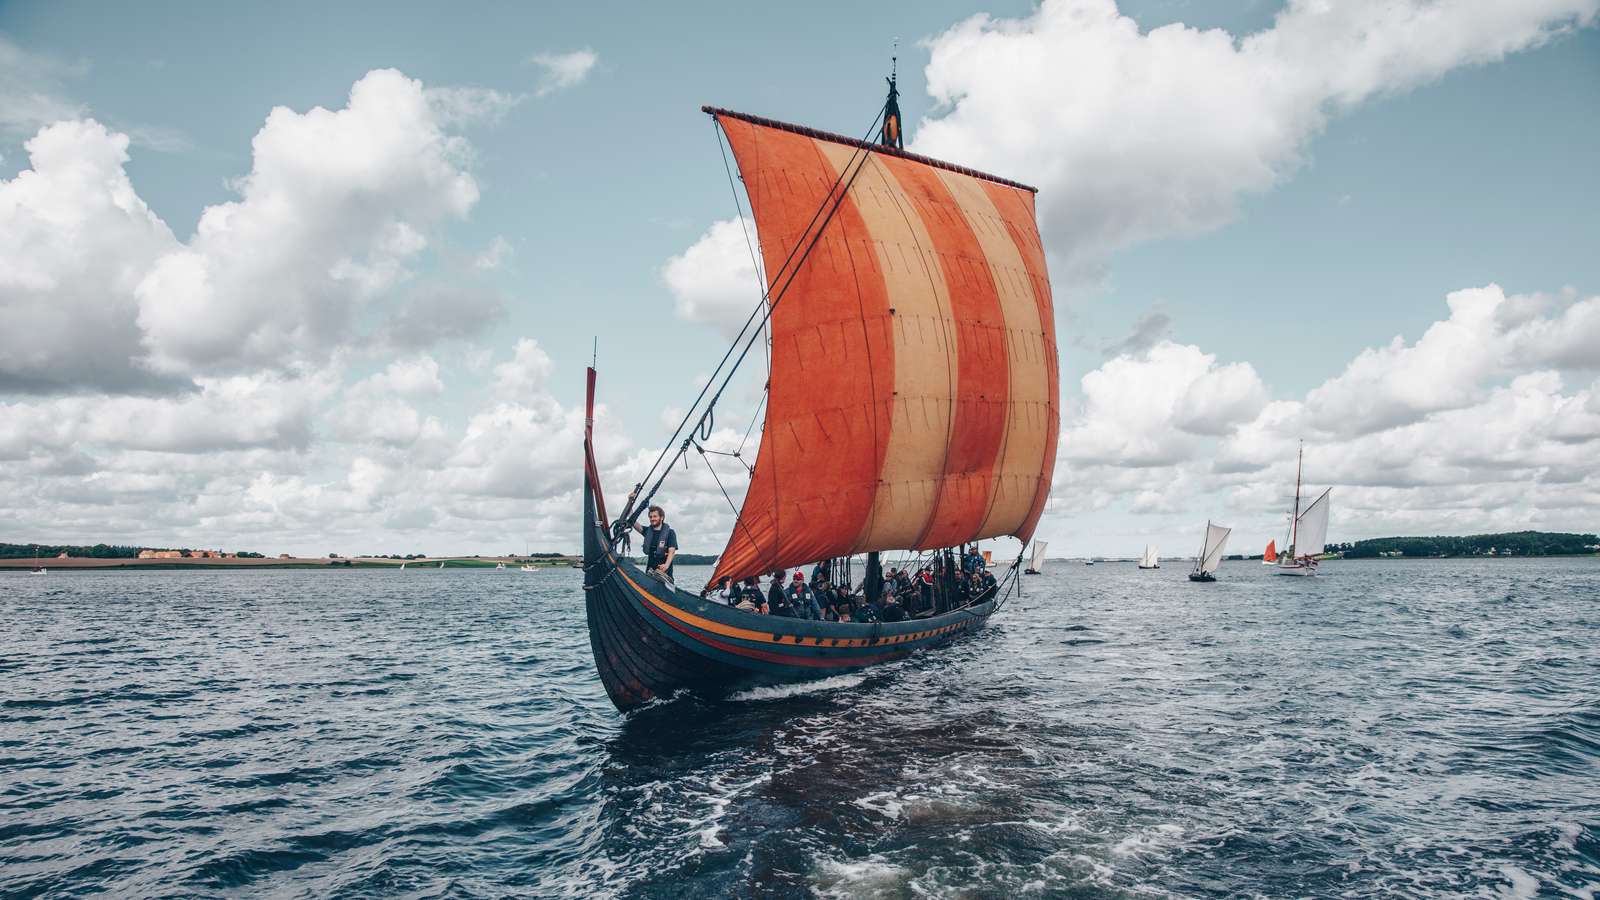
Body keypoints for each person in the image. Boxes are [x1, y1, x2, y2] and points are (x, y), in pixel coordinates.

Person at [631, 505, 678, 581]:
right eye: (650, 517)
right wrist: (630, 504)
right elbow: (633, 522)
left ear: (662, 517)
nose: (652, 519)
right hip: (650, 574)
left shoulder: (670, 533)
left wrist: (666, 565)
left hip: (664, 575)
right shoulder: (647, 531)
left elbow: (672, 551)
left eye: (655, 516)